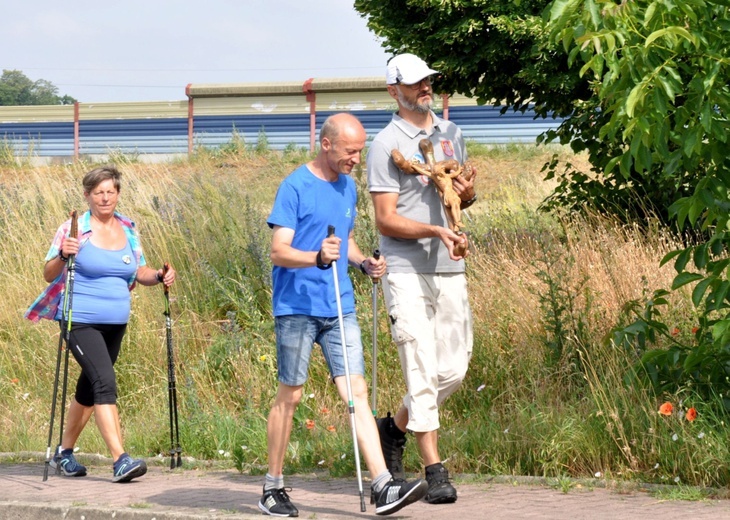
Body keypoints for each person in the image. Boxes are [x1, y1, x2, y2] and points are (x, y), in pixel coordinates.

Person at [261, 113, 428, 517]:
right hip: (297, 307)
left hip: (339, 306)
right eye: (351, 150)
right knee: (292, 395)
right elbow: (278, 250)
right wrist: (316, 256)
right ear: (327, 144)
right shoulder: (295, 186)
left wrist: (362, 263)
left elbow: (348, 240)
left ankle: (382, 484)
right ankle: (272, 487)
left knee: (356, 395)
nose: (357, 157)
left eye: (359, 150)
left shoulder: (348, 187)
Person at [365, 54, 478, 504]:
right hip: (406, 269)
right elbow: (386, 219)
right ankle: (435, 470)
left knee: (454, 368)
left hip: (450, 264)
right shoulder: (385, 144)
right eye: (414, 83)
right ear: (394, 90)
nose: (425, 87)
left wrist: (466, 197)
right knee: (419, 365)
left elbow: (458, 199)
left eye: (428, 80)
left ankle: (392, 429)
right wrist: (433, 230)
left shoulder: (452, 134)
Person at [26, 165, 176, 483]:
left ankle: (63, 454)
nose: (105, 198)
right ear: (87, 196)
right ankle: (120, 459)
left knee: (88, 390)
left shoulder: (128, 228)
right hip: (79, 320)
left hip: (115, 324)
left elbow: (140, 272)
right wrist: (64, 255)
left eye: (110, 191)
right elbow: (49, 273)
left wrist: (160, 276)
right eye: (98, 192)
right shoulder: (75, 228)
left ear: (118, 194)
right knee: (104, 383)